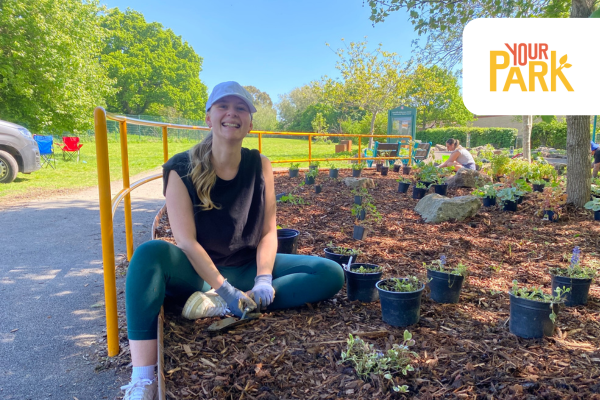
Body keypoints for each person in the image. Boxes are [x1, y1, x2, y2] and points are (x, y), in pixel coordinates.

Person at [120, 81, 345, 400]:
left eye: (241, 108)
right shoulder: (180, 168)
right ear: (208, 117)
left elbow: (269, 231)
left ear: (250, 123)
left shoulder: (260, 165)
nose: (232, 113)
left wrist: (264, 279)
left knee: (330, 272)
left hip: (247, 267)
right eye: (223, 106)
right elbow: (186, 242)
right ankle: (143, 380)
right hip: (199, 272)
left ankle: (237, 302)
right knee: (149, 254)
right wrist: (224, 289)